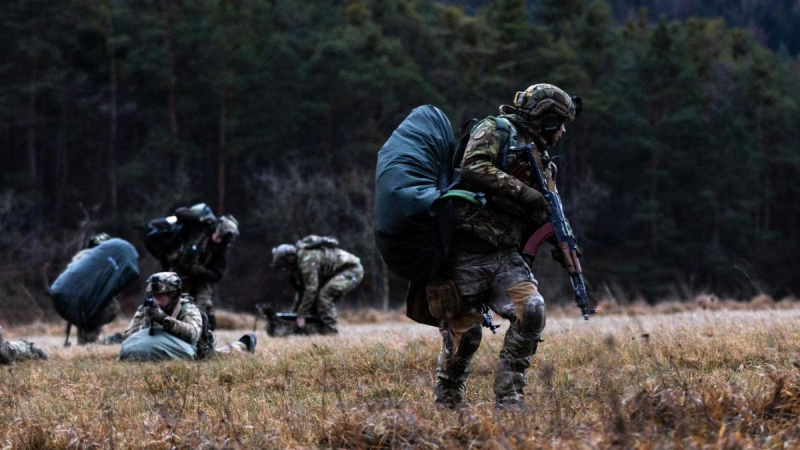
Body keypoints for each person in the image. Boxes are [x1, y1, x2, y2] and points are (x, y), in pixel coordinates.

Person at [430, 84, 580, 409]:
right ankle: (448, 402)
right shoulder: (495, 129)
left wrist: (564, 246)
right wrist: (522, 192)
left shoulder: (542, 160)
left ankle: (510, 397)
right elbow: (474, 165)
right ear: (545, 120)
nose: (564, 131)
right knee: (466, 338)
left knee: (533, 310)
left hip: (506, 256)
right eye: (560, 123)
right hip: (465, 252)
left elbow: (548, 211)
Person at [119, 272, 256, 361]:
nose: (156, 300)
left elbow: (193, 334)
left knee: (223, 355)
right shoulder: (146, 309)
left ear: (173, 295)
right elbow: (129, 338)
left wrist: (163, 319)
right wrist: (147, 321)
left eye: (160, 296)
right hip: (164, 350)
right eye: (153, 296)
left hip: (196, 352)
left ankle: (244, 344)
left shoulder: (187, 308)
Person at [158, 205, 240, 331]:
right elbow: (180, 213)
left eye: (222, 238)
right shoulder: (201, 228)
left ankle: (206, 335)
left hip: (201, 279)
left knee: (204, 306)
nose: (218, 239)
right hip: (179, 270)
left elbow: (217, 275)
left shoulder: (221, 252)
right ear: (215, 228)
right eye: (218, 234)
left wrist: (198, 270)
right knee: (168, 300)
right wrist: (200, 219)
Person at [271, 235, 364, 335]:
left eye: (285, 267)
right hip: (338, 271)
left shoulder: (306, 261)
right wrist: (293, 316)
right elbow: (303, 293)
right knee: (315, 299)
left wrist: (301, 315)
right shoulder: (299, 263)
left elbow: (311, 289)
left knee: (324, 296)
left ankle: (331, 331)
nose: (285, 270)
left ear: (289, 260)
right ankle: (319, 329)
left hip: (351, 270)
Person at [68, 232, 122, 344]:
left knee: (87, 326)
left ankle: (85, 344)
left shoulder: (81, 256)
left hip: (79, 297)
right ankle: (88, 345)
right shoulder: (107, 258)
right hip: (95, 298)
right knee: (92, 324)